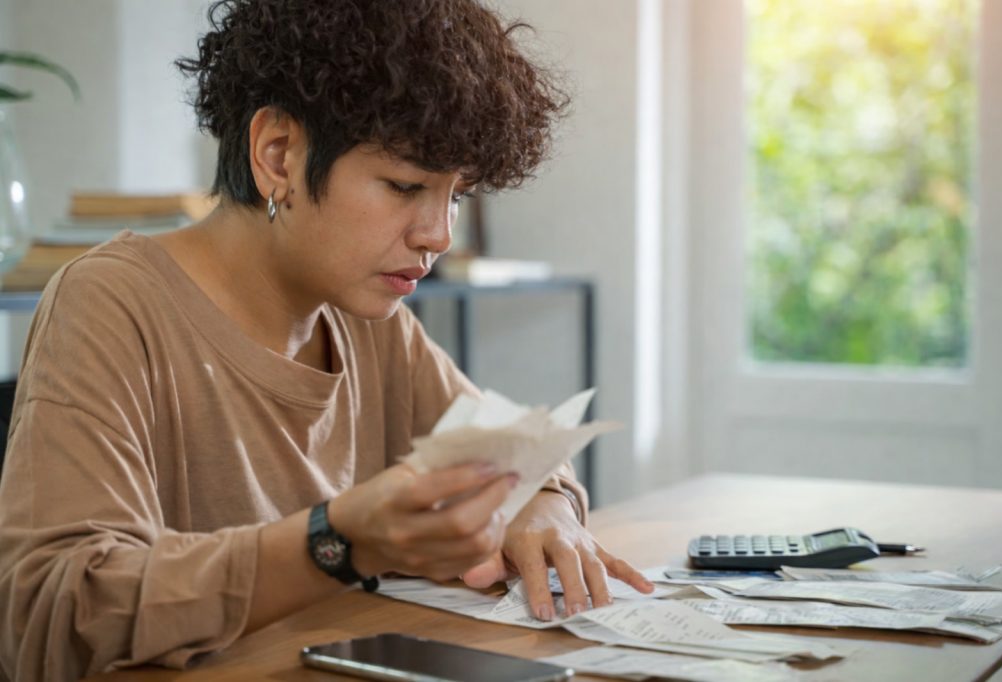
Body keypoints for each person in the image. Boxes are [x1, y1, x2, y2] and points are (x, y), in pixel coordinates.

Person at [0, 1, 653, 679]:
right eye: (406, 185)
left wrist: (542, 504)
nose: (439, 234)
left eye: (455, 194)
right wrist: (336, 541)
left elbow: (511, 449)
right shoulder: (110, 304)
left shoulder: (369, 322)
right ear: (278, 155)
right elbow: (54, 611)